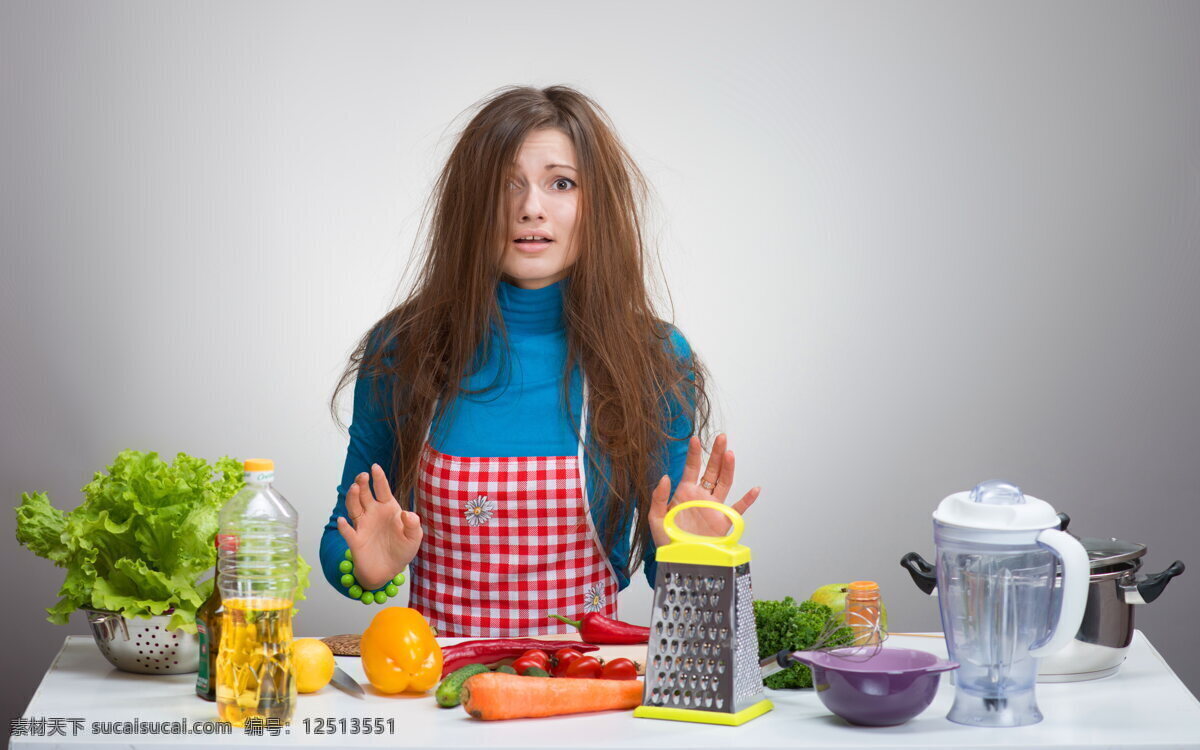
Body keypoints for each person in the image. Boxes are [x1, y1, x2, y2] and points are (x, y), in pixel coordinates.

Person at [320, 85, 760, 637]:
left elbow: (663, 571)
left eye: (561, 183)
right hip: (438, 696)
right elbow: (341, 532)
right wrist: (365, 565)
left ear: (595, 204)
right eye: (506, 183)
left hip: (591, 692)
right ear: (470, 204)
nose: (531, 206)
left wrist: (693, 552)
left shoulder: (651, 359)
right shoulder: (405, 349)